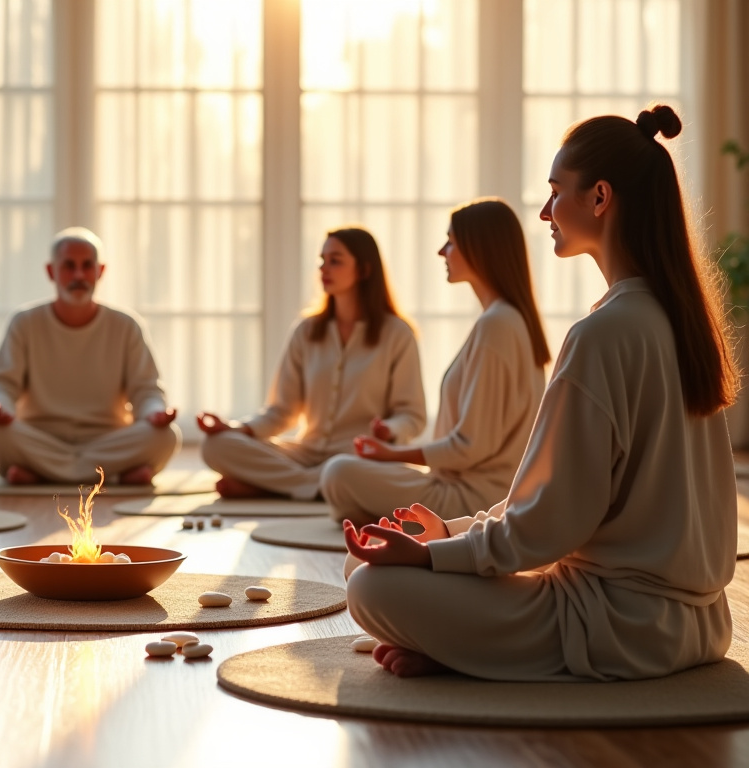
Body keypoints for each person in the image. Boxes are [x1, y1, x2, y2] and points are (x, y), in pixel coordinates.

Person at [343, 105, 738, 683]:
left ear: (600, 198)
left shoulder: (603, 334)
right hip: (701, 623)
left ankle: (468, 648)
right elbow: (556, 507)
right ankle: (465, 645)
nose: (545, 211)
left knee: (369, 582)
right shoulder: (676, 319)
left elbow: (549, 527)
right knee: (381, 559)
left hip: (620, 628)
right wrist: (451, 534)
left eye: (556, 192)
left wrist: (431, 556)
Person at [320, 200, 550, 523]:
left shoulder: (497, 325)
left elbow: (469, 447)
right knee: (340, 476)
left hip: (474, 499)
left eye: (451, 242)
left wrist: (392, 454)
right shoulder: (503, 321)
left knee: (338, 472)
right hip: (457, 484)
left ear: (478, 248)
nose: (443, 251)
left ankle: (426, 525)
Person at [197, 227, 426, 500]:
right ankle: (315, 487)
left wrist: (389, 430)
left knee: (348, 469)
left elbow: (411, 416)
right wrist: (236, 429)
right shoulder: (305, 331)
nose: (323, 269)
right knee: (216, 446)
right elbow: (282, 411)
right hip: (305, 453)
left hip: (359, 456)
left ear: (364, 270)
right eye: (321, 260)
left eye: (335, 261)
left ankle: (277, 486)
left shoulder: (397, 334)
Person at [0, 227, 180, 485]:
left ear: (100, 271)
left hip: (107, 438)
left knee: (165, 436)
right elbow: (0, 385)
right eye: (69, 266)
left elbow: (146, 391)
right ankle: (112, 474)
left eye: (87, 266)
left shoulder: (126, 325)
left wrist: (155, 413)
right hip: (42, 437)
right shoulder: (25, 323)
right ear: (51, 272)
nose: (78, 275)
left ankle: (42, 473)